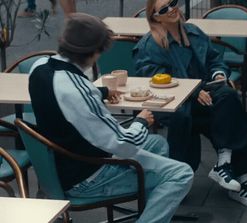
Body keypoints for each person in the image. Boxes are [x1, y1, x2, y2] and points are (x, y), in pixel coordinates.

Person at [28, 13, 193, 223]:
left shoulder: (40, 67)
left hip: (60, 164)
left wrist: (103, 92)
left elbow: (64, 98)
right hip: (86, 178)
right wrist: (142, 121)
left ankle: (153, 212)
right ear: (94, 53)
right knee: (181, 173)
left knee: (157, 143)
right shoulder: (78, 91)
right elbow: (123, 143)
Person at [133, 0, 247, 208]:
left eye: (173, 3)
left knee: (228, 98)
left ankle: (226, 166)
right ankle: (238, 176)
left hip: (208, 95)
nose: (172, 9)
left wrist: (219, 74)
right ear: (155, 17)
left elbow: (214, 58)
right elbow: (155, 79)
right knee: (227, 109)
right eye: (164, 9)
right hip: (175, 105)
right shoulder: (150, 45)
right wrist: (194, 91)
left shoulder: (193, 31)